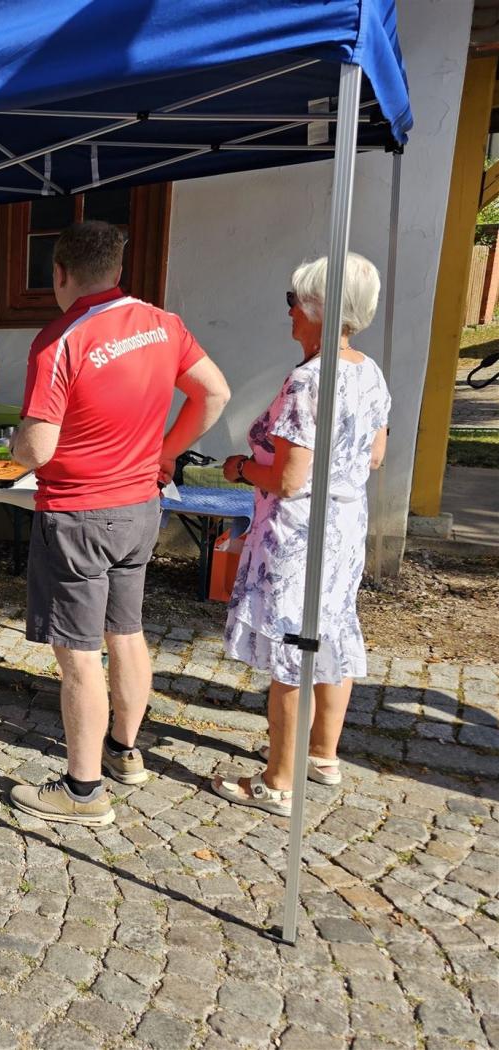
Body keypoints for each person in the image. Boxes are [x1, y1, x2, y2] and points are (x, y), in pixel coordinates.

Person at [8, 221, 230, 826]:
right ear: (117, 270)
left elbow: (37, 450)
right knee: (125, 632)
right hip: (139, 508)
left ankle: (82, 792)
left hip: (78, 513)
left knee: (77, 653)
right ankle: (126, 754)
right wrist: (165, 451)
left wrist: (15, 438)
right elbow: (213, 393)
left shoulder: (59, 340)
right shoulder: (165, 324)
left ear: (60, 274)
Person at [212, 253, 390, 817]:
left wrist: (240, 468)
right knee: (331, 634)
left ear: (317, 309)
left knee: (293, 649)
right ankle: (323, 755)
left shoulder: (310, 381)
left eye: (293, 302)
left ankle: (278, 779)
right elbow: (377, 455)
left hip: (298, 534)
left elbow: (288, 481)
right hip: (344, 525)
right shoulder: (369, 371)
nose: (288, 313)